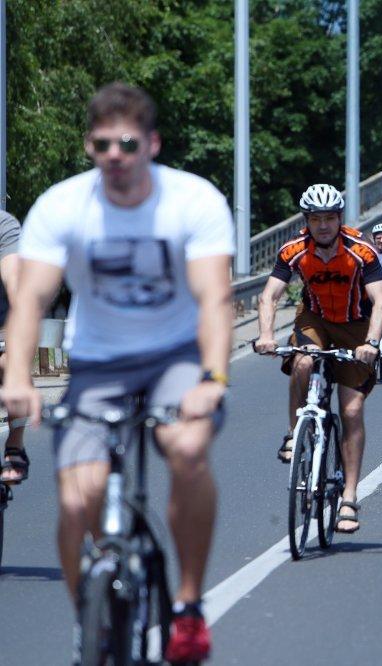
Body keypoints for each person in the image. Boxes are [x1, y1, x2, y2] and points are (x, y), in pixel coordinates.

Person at [0, 83, 233, 662]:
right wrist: (18, 379)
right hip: (98, 362)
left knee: (186, 449)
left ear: (151, 143)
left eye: (127, 143)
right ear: (89, 146)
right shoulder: (61, 205)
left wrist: (213, 378)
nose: (115, 155)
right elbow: (29, 300)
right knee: (78, 503)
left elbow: (214, 301)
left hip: (174, 355)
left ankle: (187, 608)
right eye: (102, 144)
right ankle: (94, 622)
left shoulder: (193, 201)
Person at [256, 183, 382, 535]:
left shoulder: (362, 251)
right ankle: (292, 432)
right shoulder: (294, 251)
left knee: (351, 411)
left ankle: (348, 497)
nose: (324, 226)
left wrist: (372, 343)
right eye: (316, 219)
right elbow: (269, 295)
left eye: (330, 218)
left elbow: (381, 301)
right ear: (307, 221)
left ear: (340, 219)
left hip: (356, 327)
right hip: (315, 320)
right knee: (302, 361)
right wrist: (267, 335)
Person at [0, 209, 26, 485]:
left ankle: (15, 445)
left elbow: (14, 277)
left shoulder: (3, 225)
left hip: (2, 326)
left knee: (11, 363)